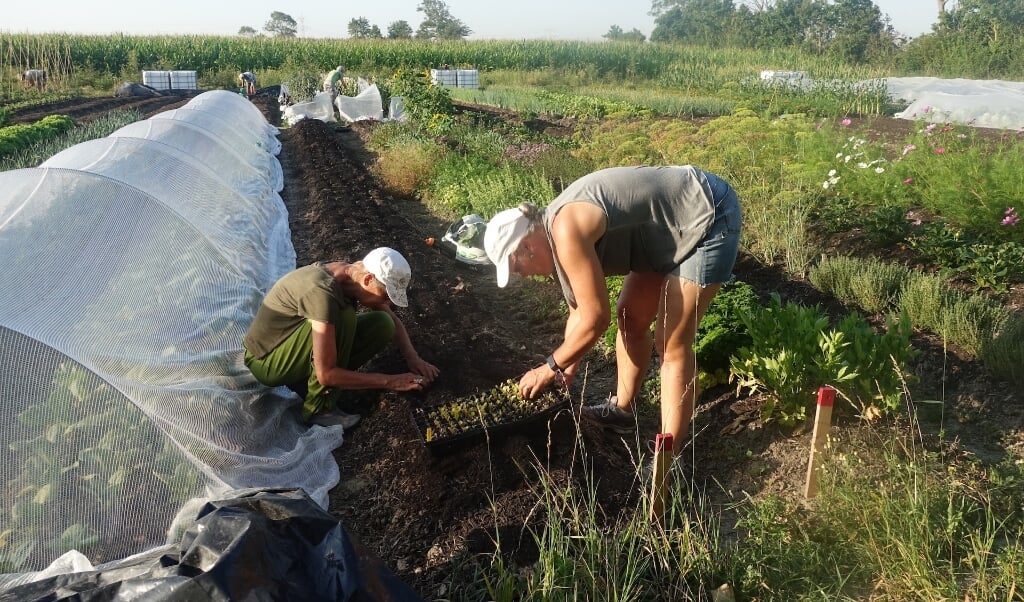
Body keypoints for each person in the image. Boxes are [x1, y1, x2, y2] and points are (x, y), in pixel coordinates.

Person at [483, 165, 742, 466]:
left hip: (704, 213)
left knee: (671, 343)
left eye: (516, 268)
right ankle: (621, 410)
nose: (522, 276)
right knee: (630, 318)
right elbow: (579, 312)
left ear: (526, 246)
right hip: (661, 233)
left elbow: (596, 318)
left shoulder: (565, 230)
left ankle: (670, 459)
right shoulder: (553, 239)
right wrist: (567, 369)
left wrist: (549, 367)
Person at [243, 247, 439, 429]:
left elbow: (392, 319)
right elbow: (326, 374)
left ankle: (305, 380)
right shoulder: (323, 293)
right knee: (344, 317)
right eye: (386, 296)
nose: (387, 302)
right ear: (369, 279)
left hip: (289, 349)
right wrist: (390, 381)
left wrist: (412, 357)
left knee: (383, 322)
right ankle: (319, 408)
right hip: (267, 361)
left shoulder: (348, 274)